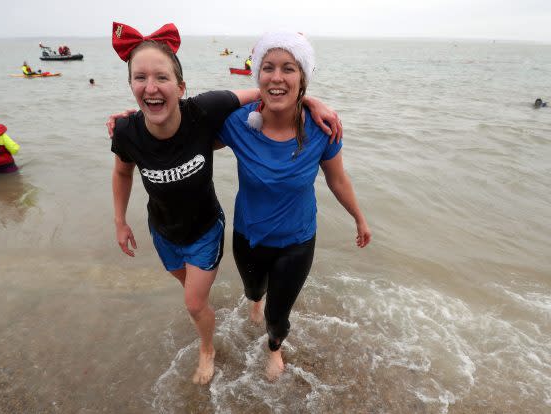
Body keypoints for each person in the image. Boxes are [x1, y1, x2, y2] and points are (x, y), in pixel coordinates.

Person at [108, 22, 341, 385]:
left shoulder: (204, 111)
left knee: (195, 303)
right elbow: (122, 172)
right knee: (198, 294)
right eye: (140, 78)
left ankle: (222, 349)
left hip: (206, 230)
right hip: (164, 231)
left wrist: (309, 99)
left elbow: (267, 91)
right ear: (131, 87)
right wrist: (120, 221)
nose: (151, 87)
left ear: (181, 87)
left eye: (161, 78)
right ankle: (235, 308)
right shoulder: (127, 131)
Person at [217, 31, 371, 381]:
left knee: (278, 315)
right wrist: (136, 122)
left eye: (289, 68)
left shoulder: (322, 129)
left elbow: (337, 180)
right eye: (268, 68)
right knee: (253, 292)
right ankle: (256, 299)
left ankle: (275, 348)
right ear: (258, 77)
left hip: (297, 241)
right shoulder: (238, 122)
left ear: (302, 77)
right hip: (248, 236)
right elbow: (185, 129)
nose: (277, 76)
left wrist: (360, 219)